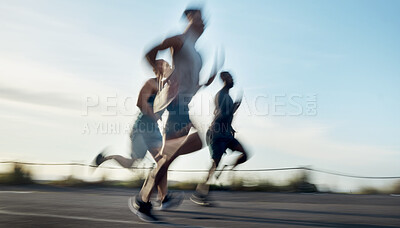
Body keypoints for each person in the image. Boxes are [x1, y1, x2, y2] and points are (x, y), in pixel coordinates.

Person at [129, 8, 217, 222]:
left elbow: (191, 86)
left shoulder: (198, 55)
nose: (202, 22)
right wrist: (159, 71)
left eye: (204, 19)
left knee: (187, 147)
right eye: (197, 17)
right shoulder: (179, 40)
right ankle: (143, 200)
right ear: (188, 19)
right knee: (172, 155)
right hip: (175, 106)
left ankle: (148, 196)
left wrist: (204, 83)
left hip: (184, 106)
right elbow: (150, 53)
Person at [93, 59, 177, 209]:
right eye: (161, 64)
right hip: (141, 129)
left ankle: (164, 197)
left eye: (167, 65)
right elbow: (140, 103)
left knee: (162, 162)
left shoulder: (168, 88)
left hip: (154, 130)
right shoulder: (150, 83)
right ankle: (106, 158)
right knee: (132, 164)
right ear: (156, 69)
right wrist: (154, 116)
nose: (165, 67)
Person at [190, 71, 248, 206]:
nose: (232, 80)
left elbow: (227, 116)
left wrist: (230, 125)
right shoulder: (220, 95)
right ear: (223, 79)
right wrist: (233, 108)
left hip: (226, 134)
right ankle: (200, 193)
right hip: (216, 133)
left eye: (232, 78)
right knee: (214, 165)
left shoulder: (228, 97)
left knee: (245, 155)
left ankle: (229, 169)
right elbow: (221, 115)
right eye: (229, 78)